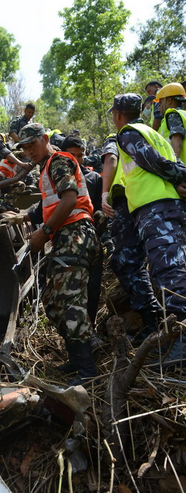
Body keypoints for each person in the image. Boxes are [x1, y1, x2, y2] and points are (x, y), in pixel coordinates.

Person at [6, 123, 101, 385]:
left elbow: (69, 200)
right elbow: (49, 203)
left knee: (69, 304)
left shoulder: (58, 161)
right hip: (68, 236)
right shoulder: (47, 168)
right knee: (53, 302)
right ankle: (78, 355)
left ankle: (88, 372)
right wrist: (23, 216)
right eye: (23, 148)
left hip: (74, 233)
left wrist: (44, 232)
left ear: (45, 139)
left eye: (31, 145)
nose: (28, 151)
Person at [109, 93, 186, 361]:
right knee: (169, 269)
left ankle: (182, 339)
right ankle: (170, 336)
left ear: (118, 115)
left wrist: (181, 176)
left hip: (157, 207)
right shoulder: (155, 133)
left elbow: (149, 159)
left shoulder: (128, 133)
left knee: (169, 272)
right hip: (160, 207)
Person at [101, 131, 162, 341]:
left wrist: (104, 192)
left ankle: (152, 321)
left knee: (126, 262)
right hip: (155, 202)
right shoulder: (153, 136)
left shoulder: (117, 137)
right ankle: (156, 317)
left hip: (128, 199)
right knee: (156, 262)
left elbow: (110, 158)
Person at [154, 82, 186, 163]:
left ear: (169, 101)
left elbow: (177, 137)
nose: (159, 107)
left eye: (160, 103)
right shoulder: (183, 114)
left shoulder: (172, 114)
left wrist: (174, 164)